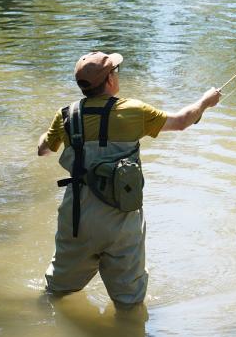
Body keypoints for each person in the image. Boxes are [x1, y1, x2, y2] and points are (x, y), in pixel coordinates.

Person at [36, 51, 221, 307]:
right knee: (129, 303)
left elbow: (43, 149)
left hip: (77, 215)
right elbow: (181, 121)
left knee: (55, 292)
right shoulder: (133, 111)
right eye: (116, 71)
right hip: (121, 218)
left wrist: (54, 134)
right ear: (110, 80)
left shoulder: (67, 115)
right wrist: (205, 101)